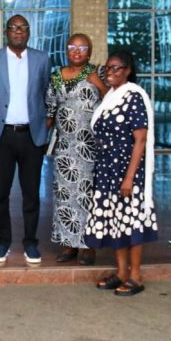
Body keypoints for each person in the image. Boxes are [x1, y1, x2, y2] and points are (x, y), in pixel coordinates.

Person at [0, 15, 51, 264]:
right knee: (1, 193)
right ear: (6, 32)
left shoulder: (42, 59)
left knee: (31, 193)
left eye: (23, 28)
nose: (18, 31)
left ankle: (31, 243)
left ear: (29, 32)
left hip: (32, 135)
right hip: (3, 135)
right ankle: (2, 242)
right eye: (14, 27)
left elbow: (47, 92)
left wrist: (47, 123)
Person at [87, 51, 158, 296]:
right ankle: (121, 272)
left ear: (128, 70)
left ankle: (136, 275)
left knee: (131, 221)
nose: (111, 72)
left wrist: (129, 177)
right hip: (108, 169)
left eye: (116, 68)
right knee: (115, 220)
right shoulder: (111, 96)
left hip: (128, 170)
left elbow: (140, 140)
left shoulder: (134, 96)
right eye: (108, 68)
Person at [46, 34, 107, 266]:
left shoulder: (98, 73)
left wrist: (97, 83)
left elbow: (112, 100)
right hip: (65, 146)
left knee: (87, 195)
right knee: (65, 195)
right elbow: (50, 109)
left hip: (91, 146)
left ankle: (87, 245)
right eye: (72, 46)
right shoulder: (56, 76)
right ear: (66, 49)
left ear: (89, 52)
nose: (77, 51)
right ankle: (68, 243)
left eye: (82, 47)